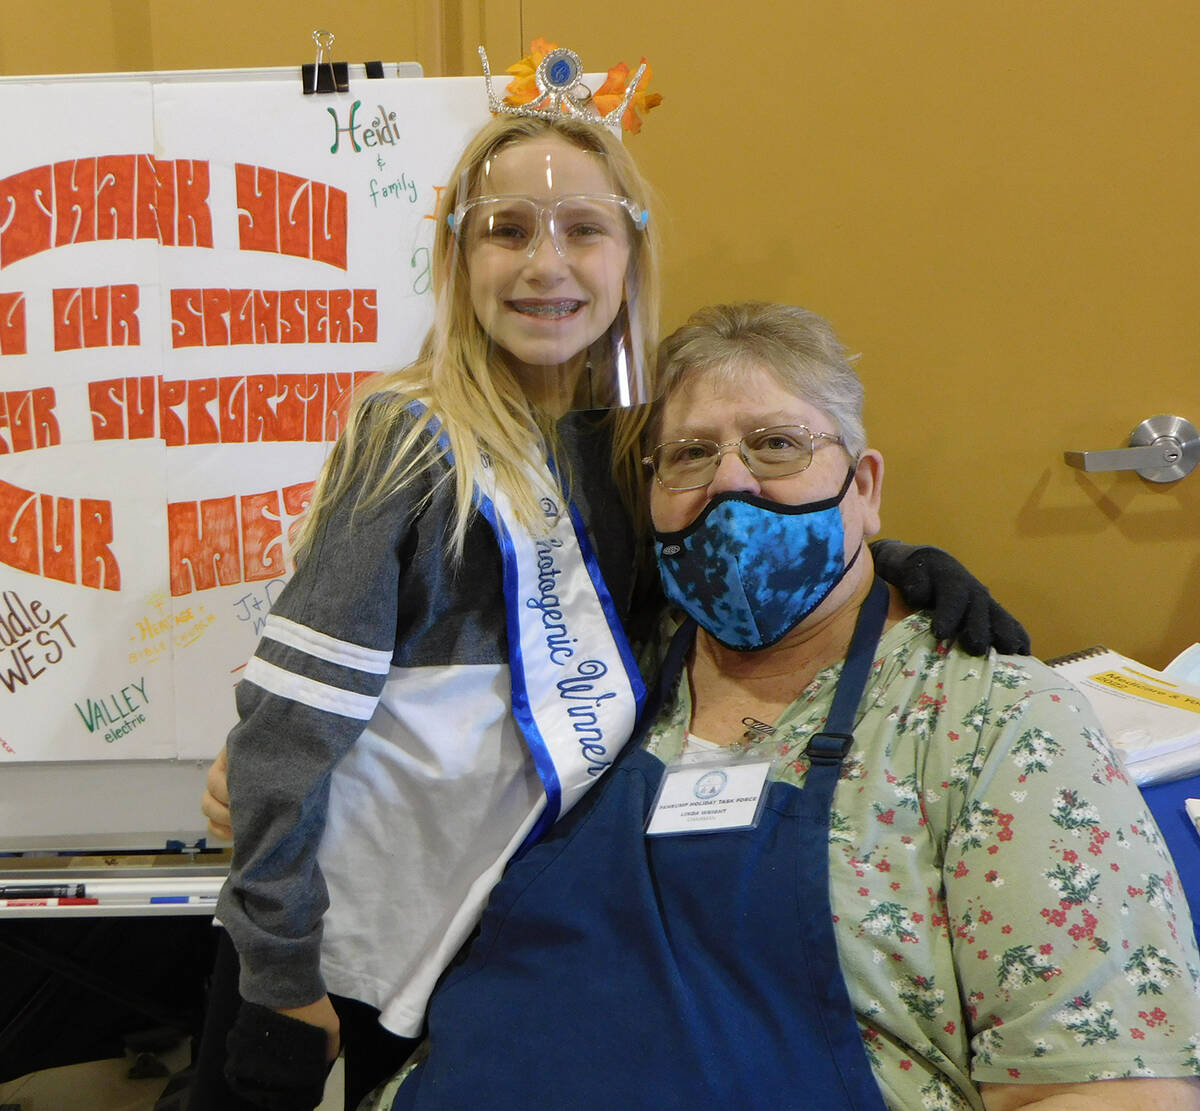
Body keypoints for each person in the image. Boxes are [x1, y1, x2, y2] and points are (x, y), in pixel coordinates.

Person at [193, 52, 1029, 1110]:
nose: (546, 263)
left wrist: (898, 563)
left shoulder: (634, 446)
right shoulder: (409, 443)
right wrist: (279, 973)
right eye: (507, 230)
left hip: (489, 932)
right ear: (457, 256)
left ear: (630, 253)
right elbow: (290, 724)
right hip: (337, 939)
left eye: (583, 229)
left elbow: (733, 552)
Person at [368, 302, 1200, 1111]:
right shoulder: (601, 671)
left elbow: (1115, 1089)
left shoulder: (991, 718)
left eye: (776, 444)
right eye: (690, 454)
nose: (730, 481)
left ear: (864, 486)